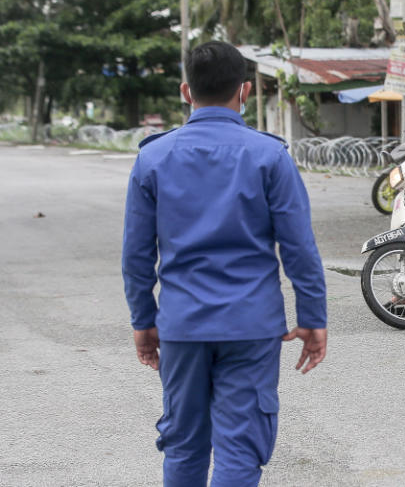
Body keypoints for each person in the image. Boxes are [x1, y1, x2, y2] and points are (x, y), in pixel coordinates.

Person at [122, 41, 328, 485]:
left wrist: (144, 321)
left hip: (182, 325)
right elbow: (299, 249)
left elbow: (137, 255)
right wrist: (312, 318)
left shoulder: (153, 158)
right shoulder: (270, 157)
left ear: (185, 91)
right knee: (240, 449)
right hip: (251, 327)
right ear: (246, 92)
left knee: (183, 445)